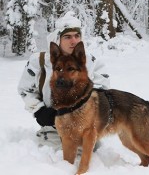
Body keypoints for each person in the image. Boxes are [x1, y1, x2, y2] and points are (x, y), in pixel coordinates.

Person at [18, 11, 111, 149]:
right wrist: (39, 110)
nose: (73, 41)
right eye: (67, 37)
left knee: (82, 160)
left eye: (77, 36)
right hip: (52, 128)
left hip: (82, 127)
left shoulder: (91, 62)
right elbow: (25, 90)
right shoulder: (40, 61)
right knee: (50, 160)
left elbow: (102, 90)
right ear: (57, 39)